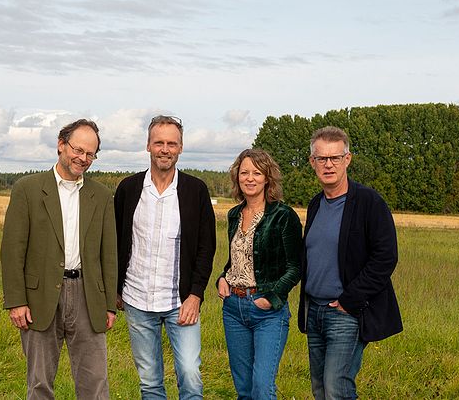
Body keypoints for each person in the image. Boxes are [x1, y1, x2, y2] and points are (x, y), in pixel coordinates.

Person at [0, 119, 118, 399]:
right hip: (39, 297)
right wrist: (16, 301)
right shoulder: (27, 189)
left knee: (96, 384)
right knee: (39, 384)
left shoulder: (101, 196)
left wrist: (109, 304)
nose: (83, 158)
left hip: (88, 297)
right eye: (78, 150)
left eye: (90, 154)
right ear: (61, 145)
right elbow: (12, 249)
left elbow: (108, 253)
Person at [115, 115, 216, 399]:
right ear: (148, 145)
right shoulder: (129, 189)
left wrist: (195, 295)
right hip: (137, 300)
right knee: (150, 382)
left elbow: (206, 248)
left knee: (190, 375)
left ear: (181, 148)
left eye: (172, 143)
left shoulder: (195, 190)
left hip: (180, 302)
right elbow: (117, 242)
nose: (165, 149)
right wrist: (116, 289)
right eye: (159, 142)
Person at [298, 126, 403, 399]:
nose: (328, 164)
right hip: (315, 311)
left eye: (335, 157)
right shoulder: (315, 204)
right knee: (320, 388)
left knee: (337, 387)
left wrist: (350, 300)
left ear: (348, 159)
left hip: (346, 312)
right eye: (322, 158)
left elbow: (385, 257)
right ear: (312, 162)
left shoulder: (369, 202)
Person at [216, 149, 302, 400]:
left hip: (267, 311)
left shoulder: (283, 216)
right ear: (237, 177)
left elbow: (295, 266)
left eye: (257, 172)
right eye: (244, 172)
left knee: (262, 388)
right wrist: (222, 277)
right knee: (244, 390)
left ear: (268, 178)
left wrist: (272, 297)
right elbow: (237, 260)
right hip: (233, 309)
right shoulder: (234, 214)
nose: (250, 178)